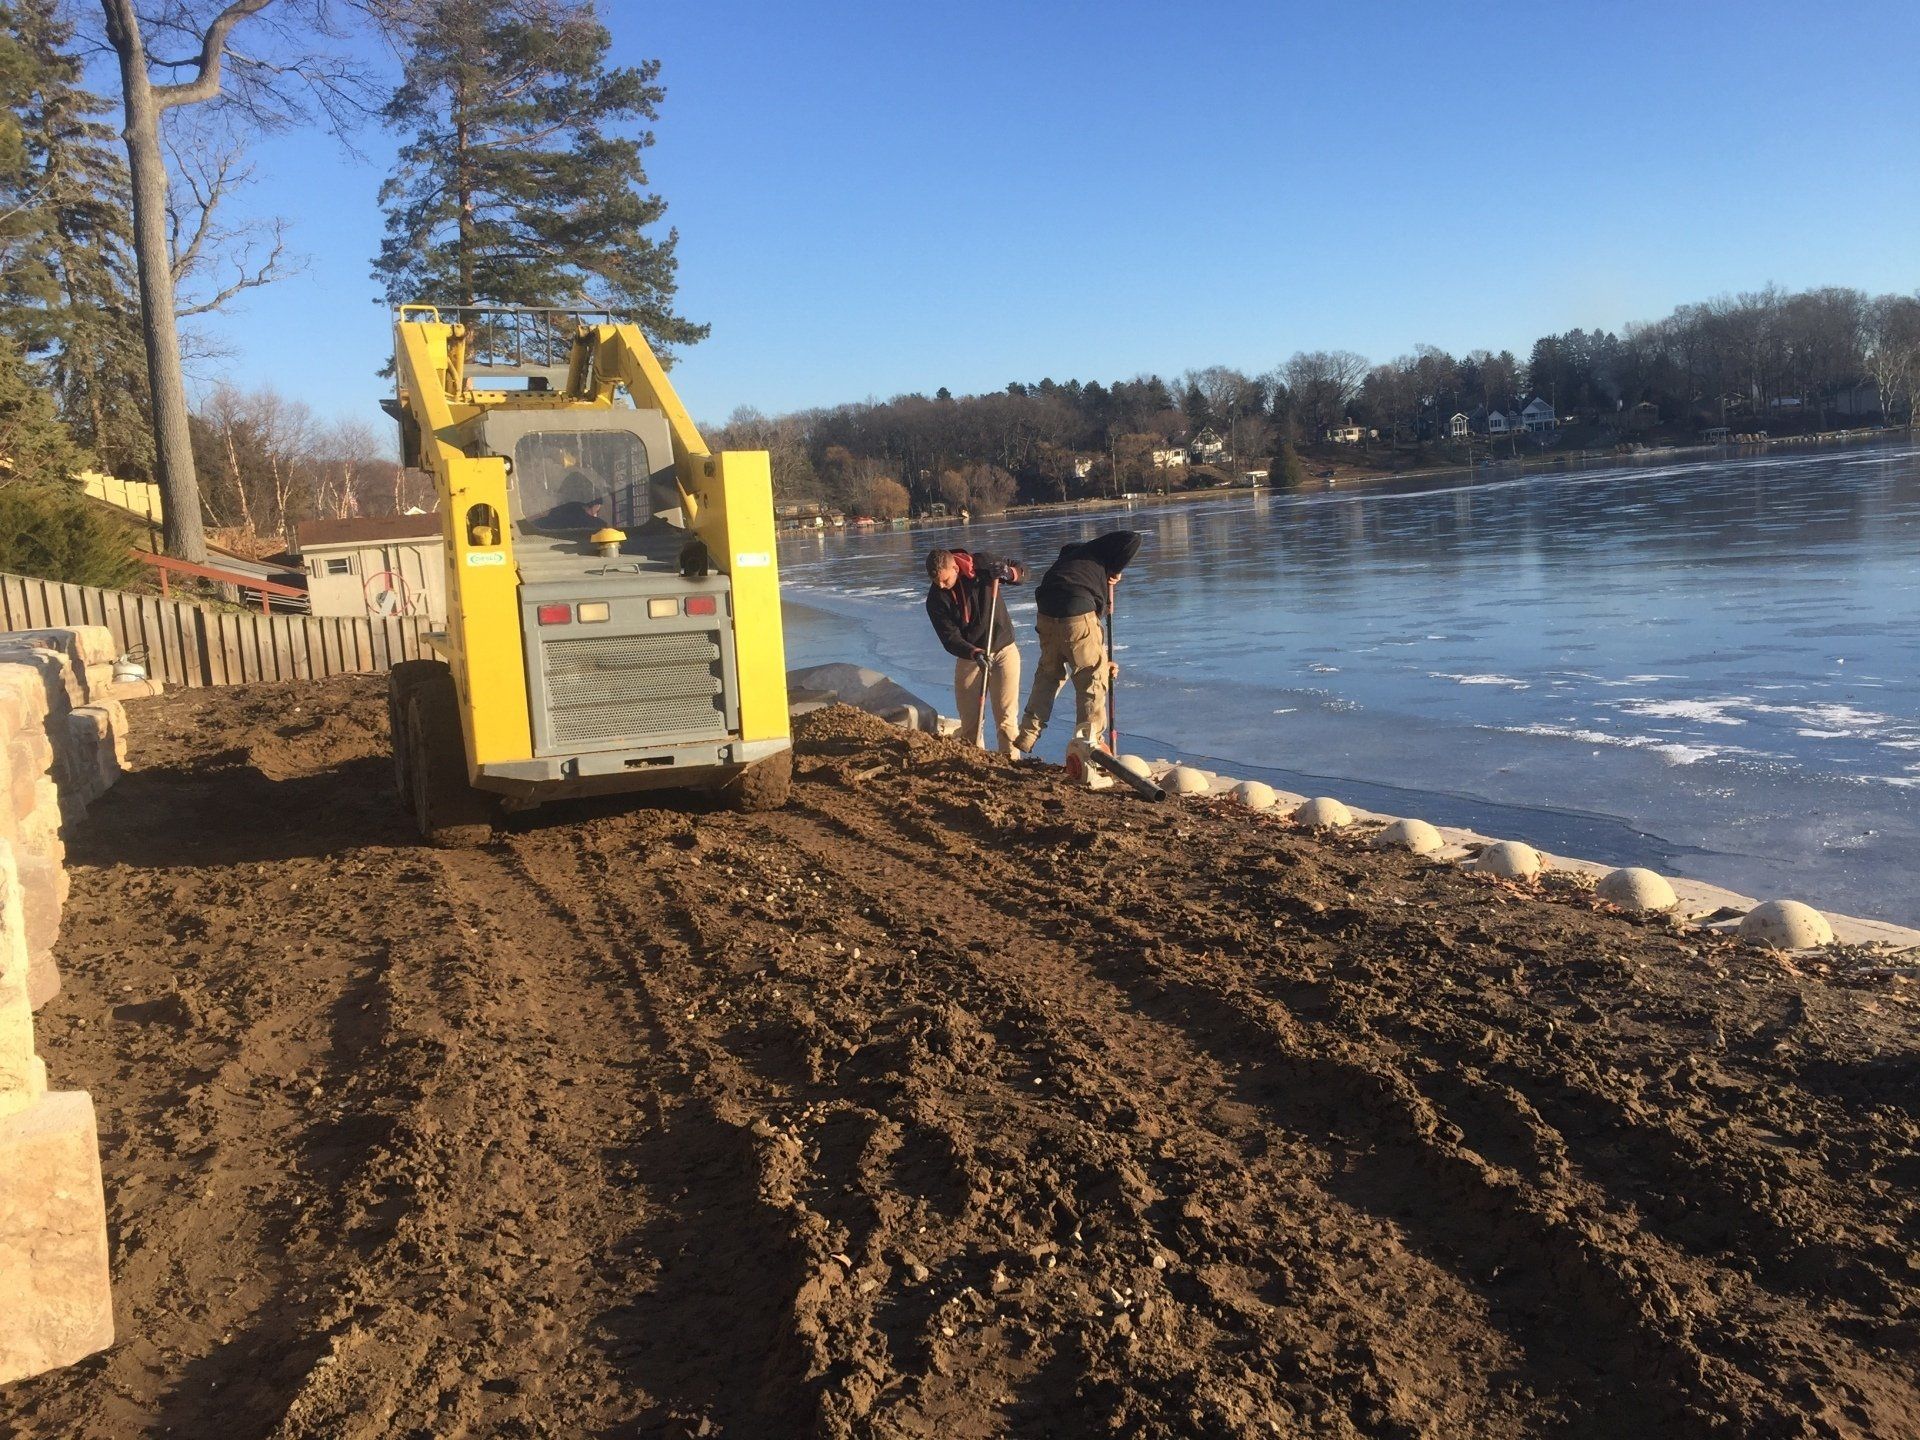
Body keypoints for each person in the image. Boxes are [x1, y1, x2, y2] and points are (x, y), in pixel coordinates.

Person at [1013, 529, 1141, 757]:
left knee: (1048, 674)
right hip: (1076, 609)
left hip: (1046, 610)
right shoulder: (1096, 554)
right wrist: (1116, 569)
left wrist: (1103, 662)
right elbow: (1133, 538)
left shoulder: (1067, 565)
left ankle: (1027, 735)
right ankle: (1088, 746)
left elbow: (1077, 641)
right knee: (1091, 679)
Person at [924, 547, 1025, 756]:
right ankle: (976, 763)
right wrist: (974, 652)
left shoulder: (983, 563)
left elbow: (1023, 572)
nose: (941, 586)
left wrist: (1007, 572)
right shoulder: (935, 600)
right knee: (970, 721)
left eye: (945, 580)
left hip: (1003, 648)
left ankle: (1011, 766)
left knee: (1006, 719)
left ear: (954, 567)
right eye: (936, 582)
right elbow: (949, 638)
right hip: (970, 655)